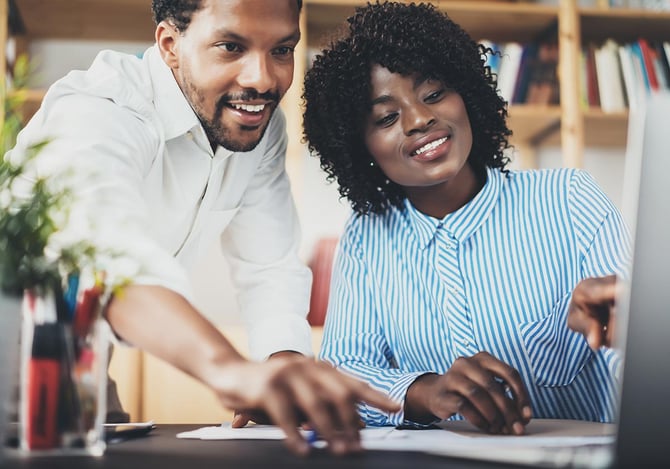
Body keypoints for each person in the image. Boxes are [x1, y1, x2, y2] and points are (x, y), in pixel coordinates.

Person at [5, 0, 398, 456]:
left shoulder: (259, 128)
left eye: (282, 50)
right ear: (170, 45)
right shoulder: (101, 110)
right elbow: (102, 256)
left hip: (80, 364)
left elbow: (268, 264)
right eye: (231, 47)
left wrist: (284, 365)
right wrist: (232, 371)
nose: (263, 79)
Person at [302, 1, 630, 435]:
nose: (420, 119)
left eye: (434, 93)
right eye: (386, 117)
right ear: (359, 148)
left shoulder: (568, 200)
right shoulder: (366, 237)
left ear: (467, 94)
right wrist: (422, 391)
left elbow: (641, 355)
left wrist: (627, 323)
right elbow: (344, 369)